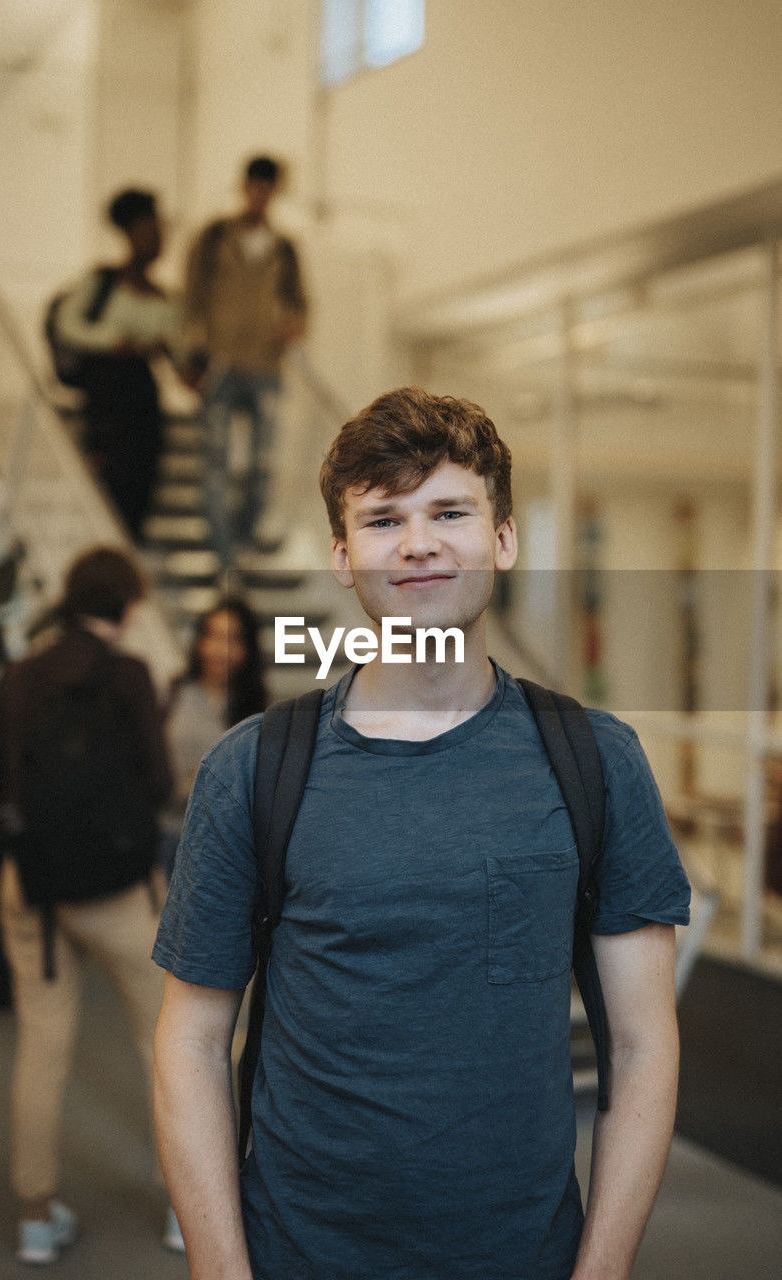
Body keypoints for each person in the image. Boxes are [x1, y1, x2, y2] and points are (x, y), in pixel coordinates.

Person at [151, 388, 691, 1280]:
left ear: (505, 538)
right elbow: (191, 1043)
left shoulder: (594, 760)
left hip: (524, 1257)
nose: (417, 544)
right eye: (381, 519)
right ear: (339, 553)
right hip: (298, 1254)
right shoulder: (254, 768)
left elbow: (640, 1046)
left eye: (449, 511)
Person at [0, 546, 181, 1263]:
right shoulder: (127, 677)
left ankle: (36, 1214)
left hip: (29, 886)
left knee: (41, 1046)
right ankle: (182, 1210)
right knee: (165, 1042)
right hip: (115, 895)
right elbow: (157, 783)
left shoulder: (22, 675)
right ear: (126, 607)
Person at [183, 155, 309, 568]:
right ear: (244, 186)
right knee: (216, 460)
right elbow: (193, 296)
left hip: (266, 366)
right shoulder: (215, 236)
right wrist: (193, 351)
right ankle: (223, 552)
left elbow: (299, 304)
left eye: (267, 188)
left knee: (262, 461)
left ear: (274, 192)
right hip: (220, 361)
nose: (260, 195)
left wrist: (292, 326)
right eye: (255, 186)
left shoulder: (285, 248)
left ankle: (244, 536)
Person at [55, 188, 179, 540]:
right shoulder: (103, 281)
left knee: (141, 479)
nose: (157, 240)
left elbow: (179, 351)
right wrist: (113, 341)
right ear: (129, 234)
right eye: (149, 231)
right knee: (110, 479)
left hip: (143, 397)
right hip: (108, 397)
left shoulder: (165, 297)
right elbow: (69, 323)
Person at [161, 597, 268, 878]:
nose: (221, 650)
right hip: (172, 836)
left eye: (233, 640)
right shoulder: (173, 694)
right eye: (213, 636)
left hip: (230, 846)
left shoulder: (259, 710)